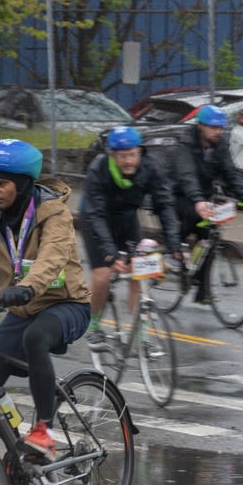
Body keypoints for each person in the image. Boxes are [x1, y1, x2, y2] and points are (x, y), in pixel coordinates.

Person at [0, 138, 92, 459]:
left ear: (22, 185)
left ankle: (44, 431)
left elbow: (52, 257)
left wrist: (29, 285)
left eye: (1, 184)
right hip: (22, 309)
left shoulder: (54, 214)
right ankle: (11, 461)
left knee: (36, 336)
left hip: (66, 305)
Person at [80, 125, 181, 344]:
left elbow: (164, 204)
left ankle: (141, 332)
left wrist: (174, 243)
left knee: (139, 273)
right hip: (96, 220)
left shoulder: (150, 166)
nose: (129, 161)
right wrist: (110, 252)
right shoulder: (99, 169)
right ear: (112, 155)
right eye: (123, 156)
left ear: (140, 152)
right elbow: (96, 214)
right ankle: (94, 324)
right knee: (102, 276)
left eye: (133, 155)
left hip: (127, 220)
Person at [165, 104, 243, 303]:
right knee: (194, 214)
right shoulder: (185, 143)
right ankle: (173, 250)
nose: (218, 131)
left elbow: (231, 173)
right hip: (178, 192)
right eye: (213, 127)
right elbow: (187, 176)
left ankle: (203, 292)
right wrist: (198, 200)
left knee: (210, 235)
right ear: (201, 126)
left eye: (221, 127)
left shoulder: (219, 145)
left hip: (203, 194)